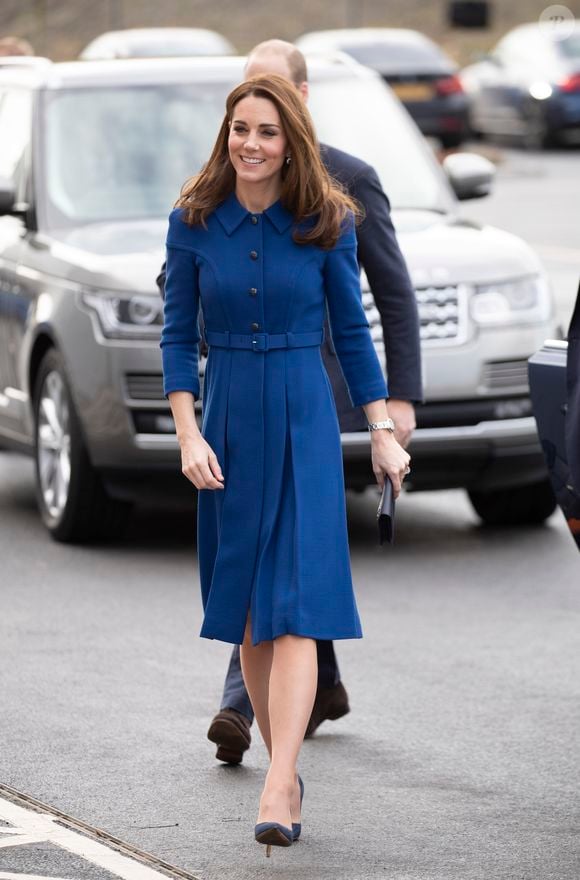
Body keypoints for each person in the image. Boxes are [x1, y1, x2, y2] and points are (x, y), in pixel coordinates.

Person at [160, 73, 411, 853]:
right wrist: (187, 433)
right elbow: (175, 337)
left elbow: (353, 331)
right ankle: (285, 770)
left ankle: (280, 781)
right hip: (228, 414)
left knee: (296, 605)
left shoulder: (328, 223)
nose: (253, 144)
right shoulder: (193, 221)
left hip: (304, 411)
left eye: (268, 131)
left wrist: (380, 426)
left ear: (290, 139)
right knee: (251, 619)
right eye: (242, 129)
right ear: (225, 134)